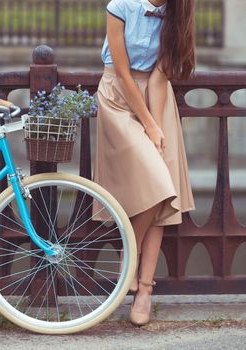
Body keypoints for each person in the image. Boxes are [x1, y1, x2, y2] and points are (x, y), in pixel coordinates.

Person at [91, 0, 196, 326]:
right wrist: (148, 124)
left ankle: (144, 289)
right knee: (157, 182)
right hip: (118, 99)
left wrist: (159, 126)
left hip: (155, 98)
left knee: (164, 191)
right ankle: (129, 264)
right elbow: (122, 72)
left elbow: (158, 78)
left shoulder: (177, 13)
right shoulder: (120, 6)